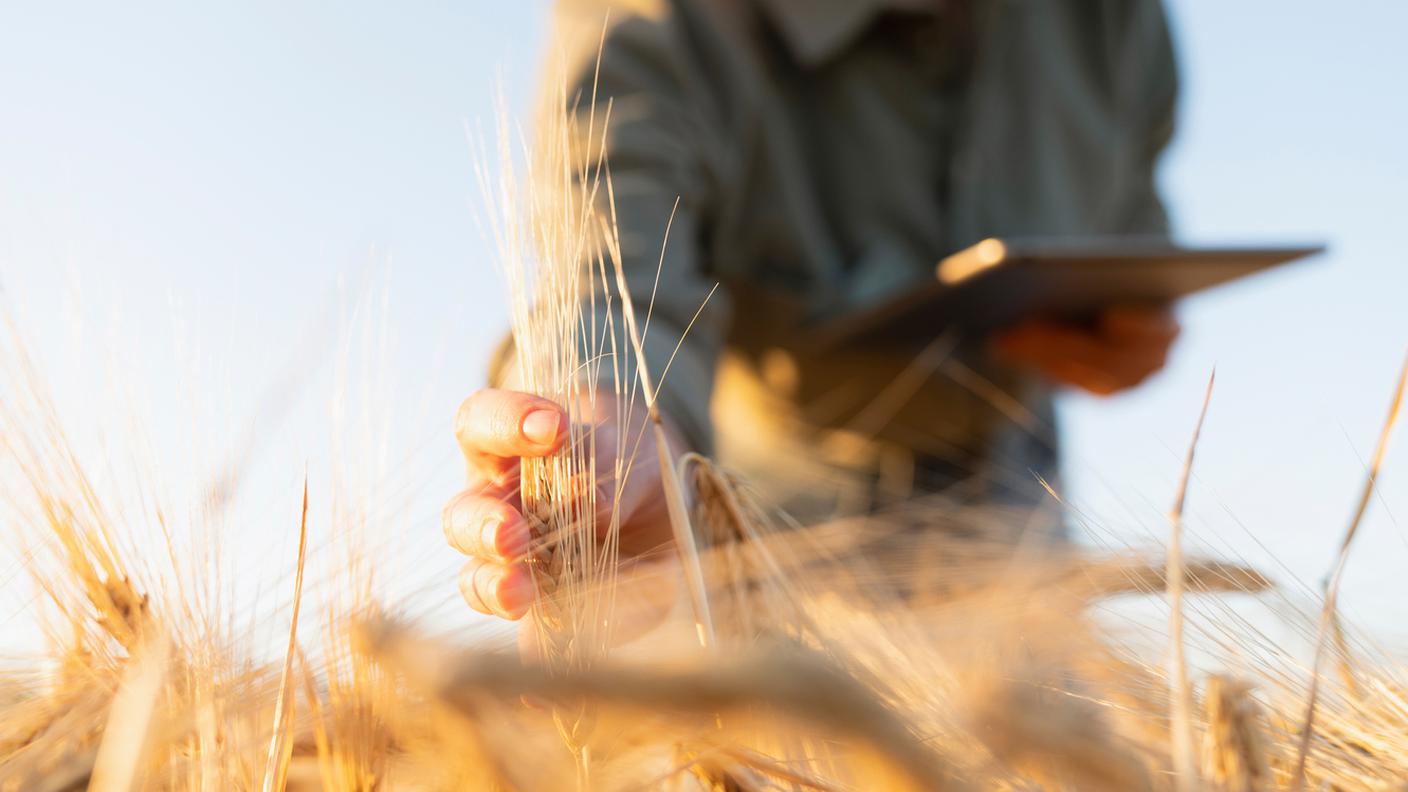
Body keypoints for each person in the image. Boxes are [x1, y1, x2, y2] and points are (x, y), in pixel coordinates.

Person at [444, 0, 1182, 621]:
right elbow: (607, 261)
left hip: (1024, 482)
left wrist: (1129, 328)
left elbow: (1136, 217)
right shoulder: (661, 18)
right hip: (766, 507)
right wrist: (598, 420)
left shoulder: (1118, 19)